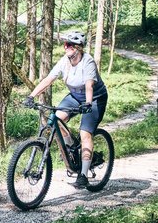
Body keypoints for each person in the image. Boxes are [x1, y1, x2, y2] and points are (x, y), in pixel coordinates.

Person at [24, 30, 108, 188]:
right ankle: (71, 149)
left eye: (69, 45)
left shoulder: (87, 62)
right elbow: (49, 79)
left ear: (78, 48)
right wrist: (31, 96)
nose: (66, 47)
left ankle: (83, 175)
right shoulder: (64, 61)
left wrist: (88, 103)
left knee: (85, 133)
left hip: (95, 99)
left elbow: (89, 85)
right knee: (55, 119)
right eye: (65, 44)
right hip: (75, 97)